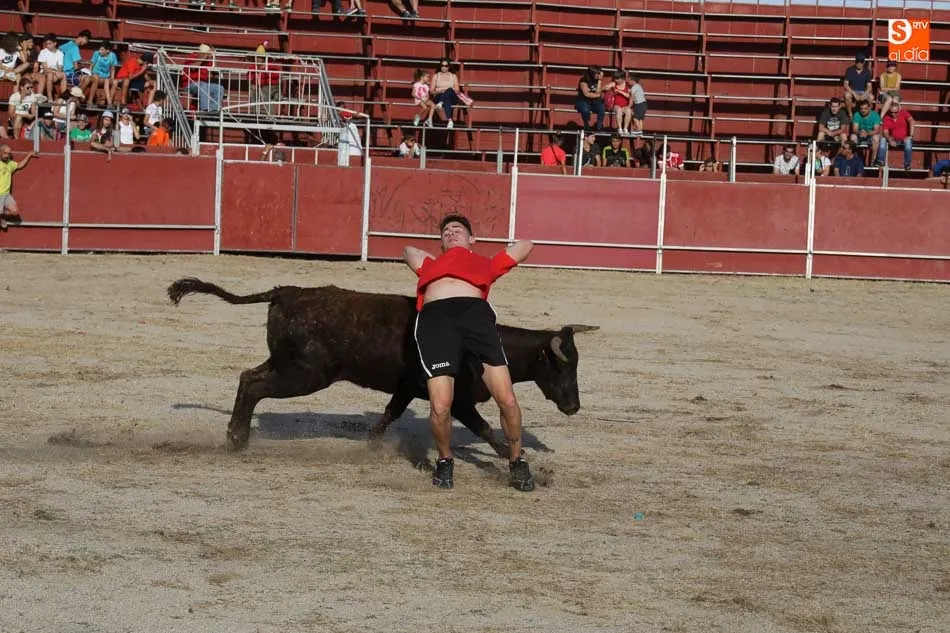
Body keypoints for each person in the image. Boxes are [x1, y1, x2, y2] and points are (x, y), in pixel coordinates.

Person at [402, 214, 536, 491]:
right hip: (436, 320)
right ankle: (444, 459)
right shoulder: (430, 265)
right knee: (440, 406)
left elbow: (526, 245)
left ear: (472, 238)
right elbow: (408, 251)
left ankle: (516, 460)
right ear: (440, 242)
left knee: (507, 399)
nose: (451, 233)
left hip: (474, 316)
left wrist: (477, 256)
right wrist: (443, 258)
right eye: (446, 232)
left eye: (458, 230)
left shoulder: (487, 264)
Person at [0, 145, 38, 231]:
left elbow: (19, 165)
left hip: (6, 194)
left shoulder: (10, 163)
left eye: (9, 154)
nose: (7, 155)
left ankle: (1, 217)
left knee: (15, 211)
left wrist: (29, 155)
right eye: (5, 153)